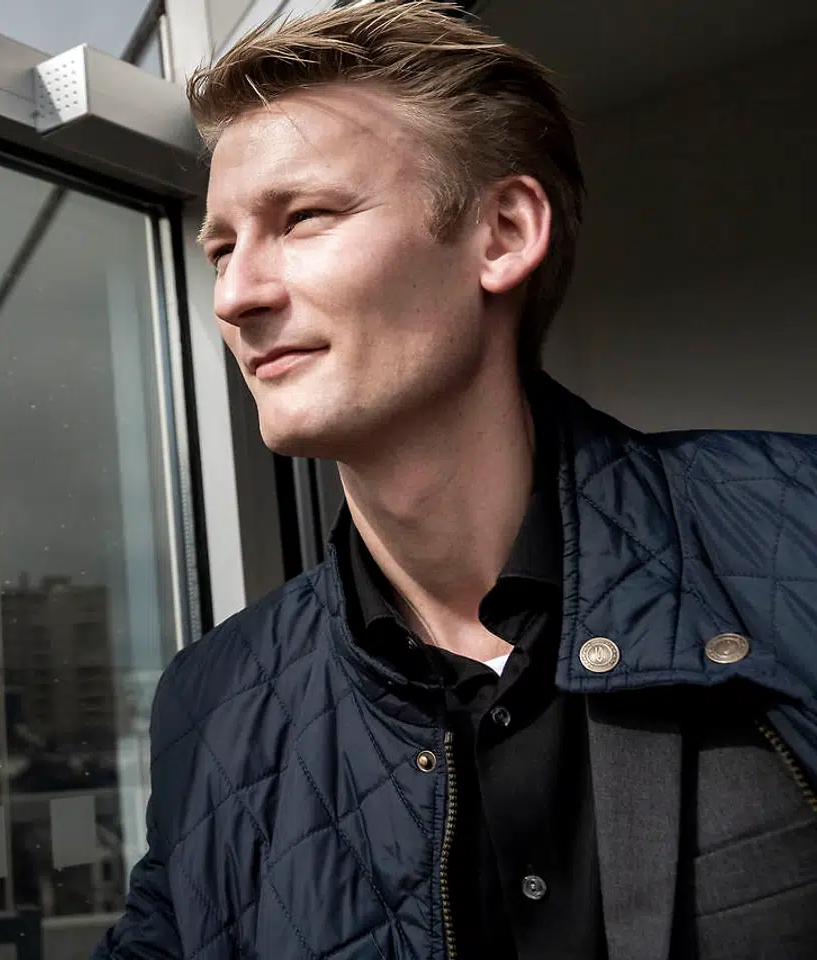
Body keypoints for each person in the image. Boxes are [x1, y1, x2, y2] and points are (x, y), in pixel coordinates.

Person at [95, 3, 817, 959]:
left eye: (303, 218)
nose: (235, 296)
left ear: (503, 234)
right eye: (222, 249)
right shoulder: (211, 702)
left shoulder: (798, 530)